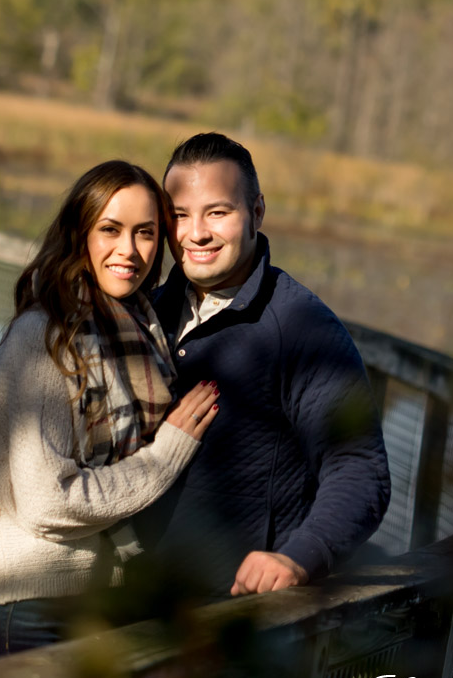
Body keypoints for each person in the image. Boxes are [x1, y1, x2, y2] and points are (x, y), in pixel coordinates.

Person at [0, 160, 221, 663]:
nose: (129, 250)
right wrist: (166, 455)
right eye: (110, 230)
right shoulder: (47, 337)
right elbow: (48, 501)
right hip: (24, 609)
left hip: (94, 605)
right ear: (80, 234)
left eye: (146, 233)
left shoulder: (139, 328)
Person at [129, 133, 391, 599]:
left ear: (257, 212)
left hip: (231, 620)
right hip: (127, 600)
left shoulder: (301, 327)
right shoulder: (147, 308)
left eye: (218, 212)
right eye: (180, 215)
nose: (196, 234)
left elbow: (358, 467)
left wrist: (298, 557)